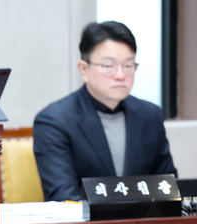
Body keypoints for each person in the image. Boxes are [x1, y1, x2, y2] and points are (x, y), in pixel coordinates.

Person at [33, 21, 177, 202]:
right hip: (83, 219)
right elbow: (64, 197)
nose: (120, 75)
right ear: (84, 69)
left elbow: (167, 187)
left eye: (128, 65)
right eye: (108, 66)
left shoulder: (150, 115)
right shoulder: (54, 120)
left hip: (143, 219)